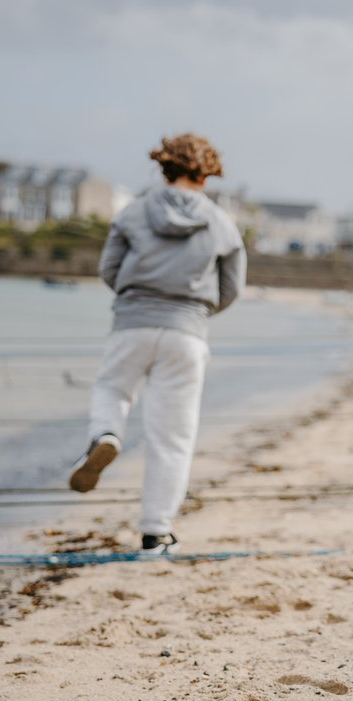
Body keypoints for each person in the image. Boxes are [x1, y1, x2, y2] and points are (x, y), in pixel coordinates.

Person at [69, 133, 246, 554]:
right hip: (187, 332)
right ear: (205, 175)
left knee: (112, 388)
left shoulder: (132, 212)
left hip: (132, 322)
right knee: (172, 437)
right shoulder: (221, 222)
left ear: (163, 169)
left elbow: (109, 269)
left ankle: (107, 434)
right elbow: (232, 287)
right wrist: (197, 311)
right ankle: (155, 534)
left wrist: (135, 299)